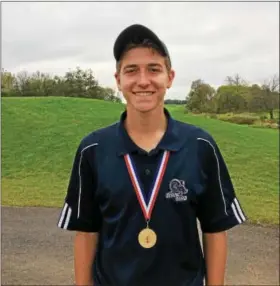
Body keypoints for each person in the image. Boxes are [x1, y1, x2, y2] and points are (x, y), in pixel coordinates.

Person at [57, 24, 247, 286]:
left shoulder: (201, 145)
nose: (143, 80)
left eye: (154, 69)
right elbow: (87, 233)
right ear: (118, 80)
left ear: (169, 77)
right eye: (131, 70)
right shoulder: (93, 149)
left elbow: (215, 230)